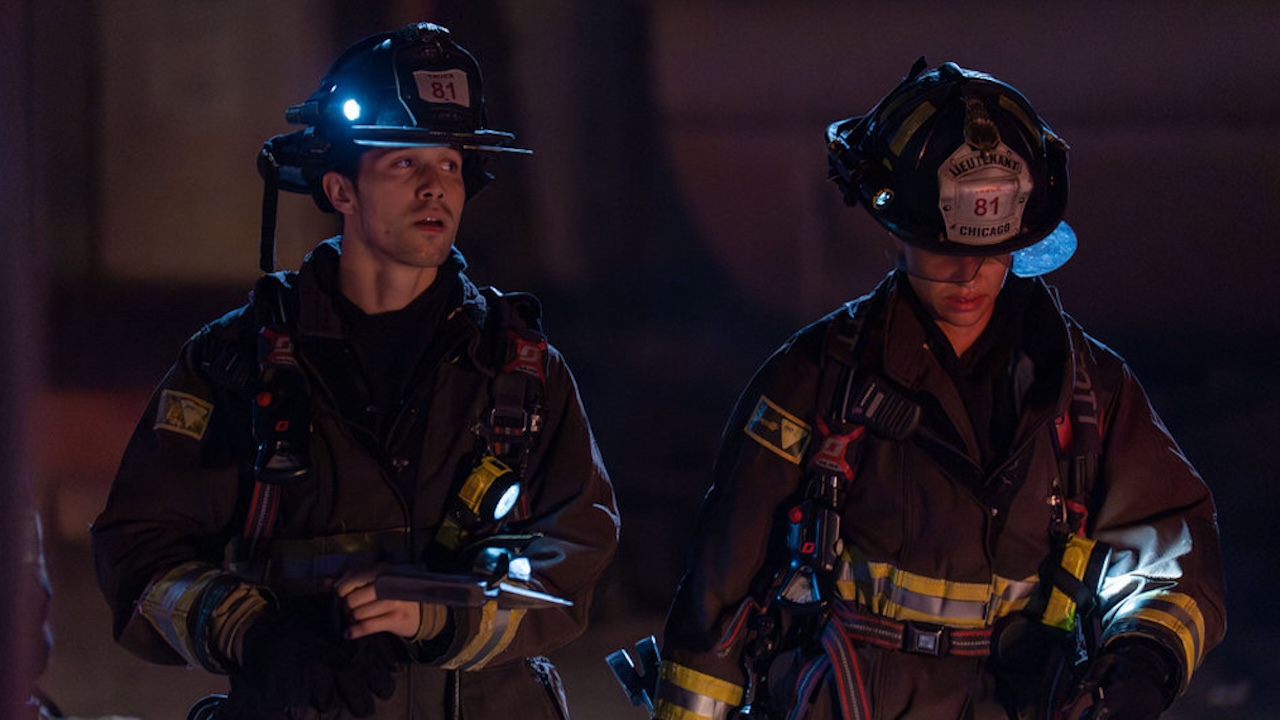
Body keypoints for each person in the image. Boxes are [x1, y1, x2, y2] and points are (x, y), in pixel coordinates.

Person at [650, 60, 1225, 720]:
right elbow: (718, 600)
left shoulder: (1086, 390)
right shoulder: (817, 379)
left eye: (993, 247)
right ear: (896, 228)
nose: (968, 271)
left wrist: (1142, 661)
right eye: (940, 245)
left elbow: (1170, 545)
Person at [91, 22, 619, 720]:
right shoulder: (233, 362)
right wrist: (257, 633)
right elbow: (141, 551)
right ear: (340, 188)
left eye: (451, 165)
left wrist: (441, 615)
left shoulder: (519, 371)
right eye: (405, 163)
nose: (436, 188)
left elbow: (576, 555)